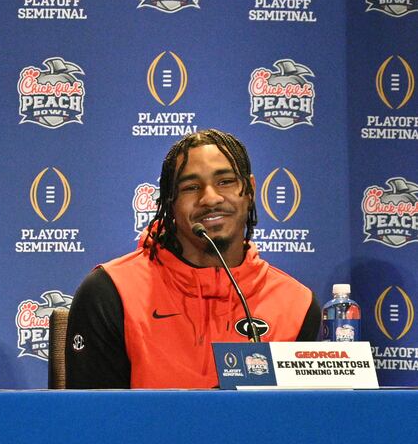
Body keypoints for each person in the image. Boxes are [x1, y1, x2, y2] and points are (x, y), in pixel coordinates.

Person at [65, 129, 318, 389]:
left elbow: (299, 420)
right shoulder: (111, 291)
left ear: (250, 190)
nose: (210, 198)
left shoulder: (297, 305)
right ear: (170, 203)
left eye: (226, 181)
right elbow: (93, 420)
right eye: (191, 187)